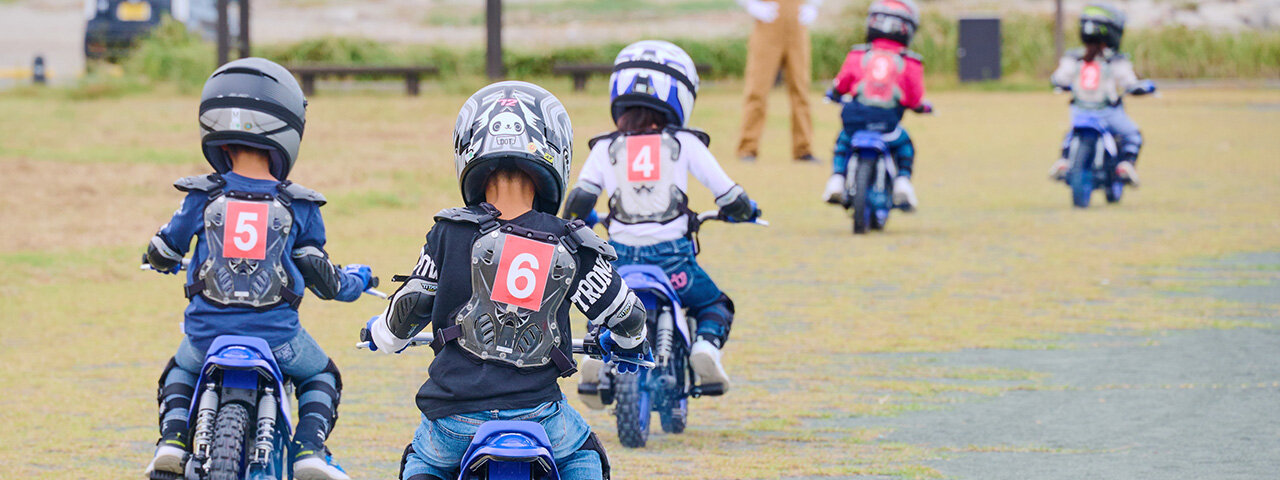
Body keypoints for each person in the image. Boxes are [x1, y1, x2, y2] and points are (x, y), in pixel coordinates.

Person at [362, 81, 652, 480]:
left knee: (423, 462)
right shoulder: (572, 242)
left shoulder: (449, 230)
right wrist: (628, 343)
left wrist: (384, 334)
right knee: (585, 455)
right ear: (556, 153)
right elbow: (628, 314)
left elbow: (412, 304)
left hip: (454, 419)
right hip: (538, 414)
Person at [142, 58, 374, 480]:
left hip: (205, 335)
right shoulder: (300, 205)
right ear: (286, 134)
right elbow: (323, 278)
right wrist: (358, 280)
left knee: (178, 371)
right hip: (278, 338)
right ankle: (310, 451)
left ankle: (172, 441)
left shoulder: (201, 195)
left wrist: (157, 260)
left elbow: (164, 247)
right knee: (322, 375)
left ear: (218, 136)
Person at [562, 40, 763, 396]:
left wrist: (579, 222)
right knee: (713, 303)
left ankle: (596, 344)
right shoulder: (686, 142)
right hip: (674, 261)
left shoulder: (605, 147)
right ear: (681, 93)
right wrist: (745, 211)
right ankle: (704, 349)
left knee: (605, 303)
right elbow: (729, 194)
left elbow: (579, 199)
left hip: (620, 257)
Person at [820, 0, 927, 209]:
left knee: (843, 142)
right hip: (888, 122)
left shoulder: (858, 54)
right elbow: (914, 98)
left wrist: (833, 94)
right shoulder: (910, 62)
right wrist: (921, 107)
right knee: (905, 145)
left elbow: (842, 84)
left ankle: (837, 179)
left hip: (855, 119)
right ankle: (903, 182)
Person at [1048, 3, 1150, 185]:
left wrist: (1061, 85)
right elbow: (1129, 83)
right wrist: (1141, 87)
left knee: (1070, 134)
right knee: (1133, 135)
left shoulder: (1073, 58)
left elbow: (1059, 79)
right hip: (1108, 113)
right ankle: (1126, 164)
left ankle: (1064, 159)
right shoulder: (1115, 60)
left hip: (1080, 112)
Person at [737, 0, 824, 163]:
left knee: (801, 91)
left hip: (797, 25)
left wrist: (814, 5)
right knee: (757, 90)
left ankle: (803, 149)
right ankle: (748, 147)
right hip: (767, 24)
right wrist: (751, 5)